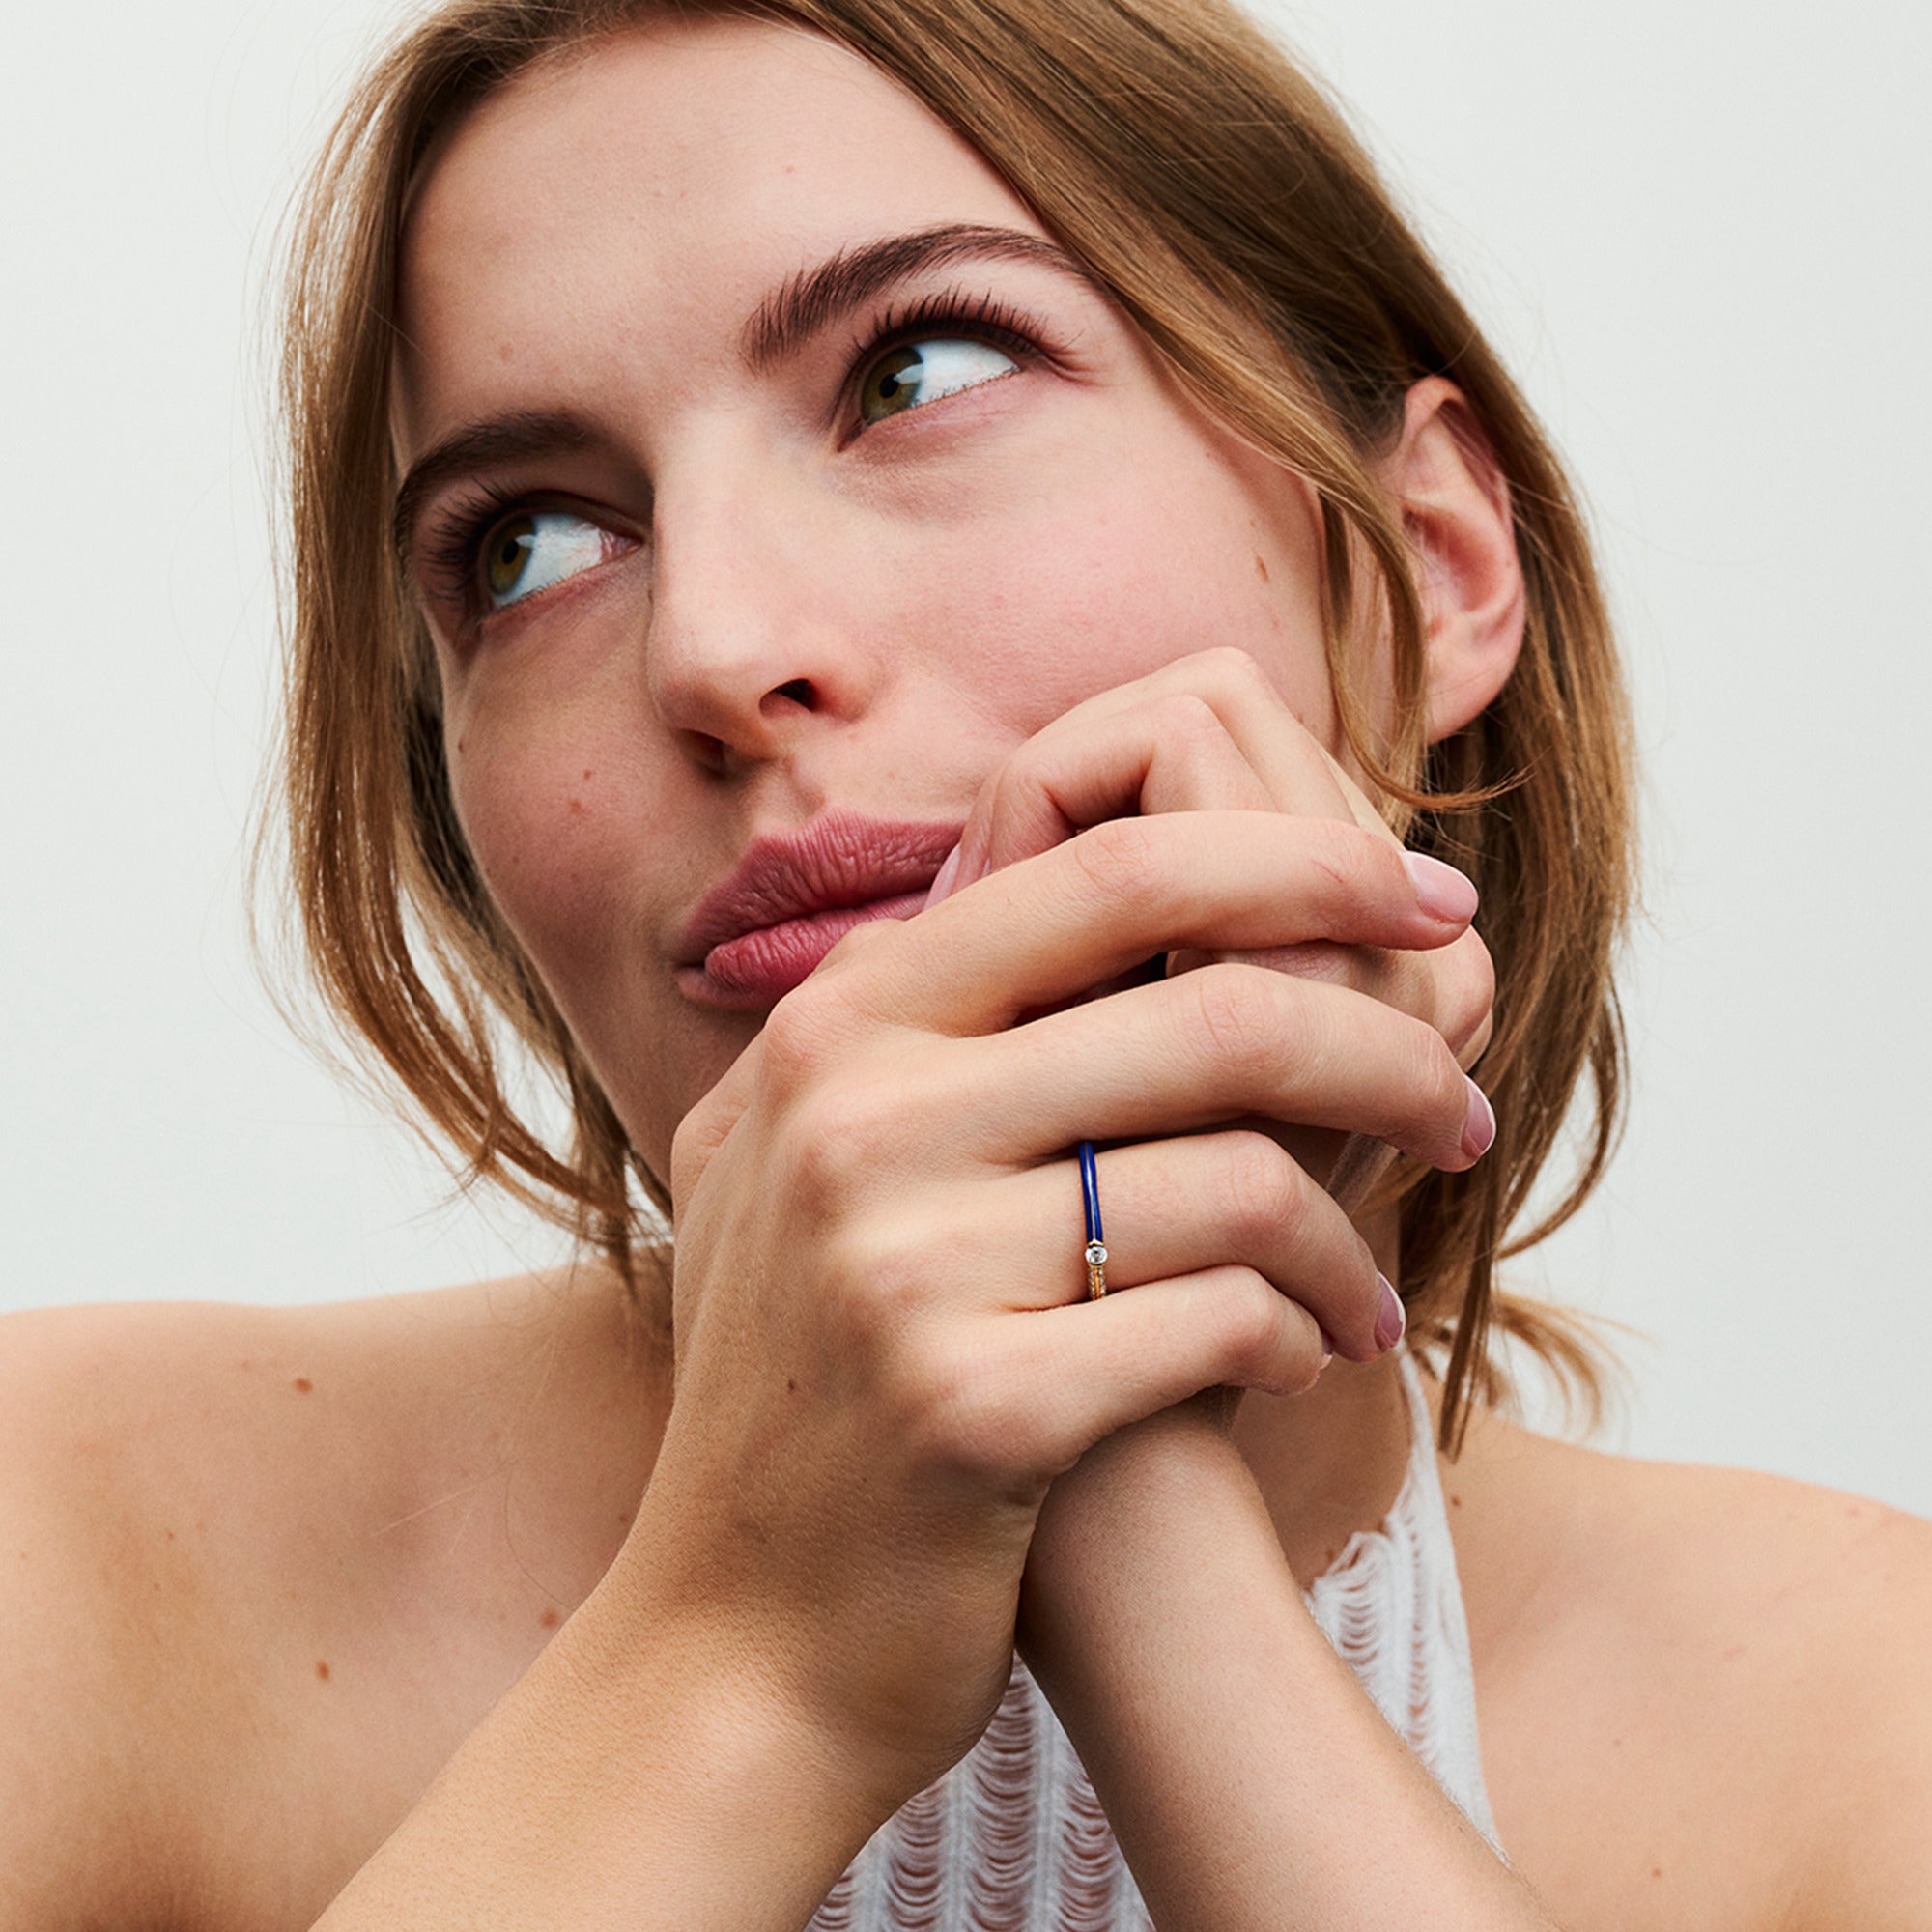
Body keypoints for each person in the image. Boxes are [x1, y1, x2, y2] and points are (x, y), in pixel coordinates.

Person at [2, 0, 1927, 1926]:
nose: (714, 648)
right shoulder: (77, 1549)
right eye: (527, 545)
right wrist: (742, 1652)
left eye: (916, 368)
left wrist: (1121, 1500)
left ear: (1428, 564)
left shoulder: (1854, 1722)